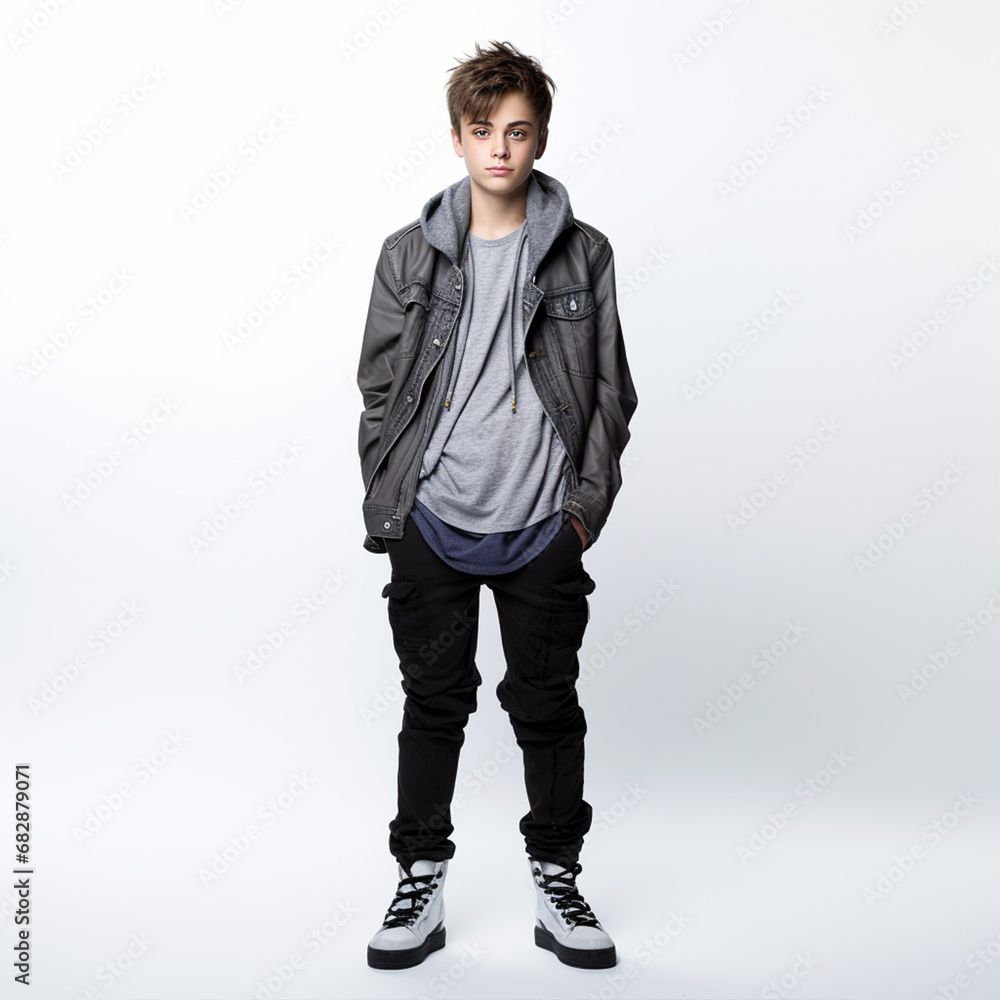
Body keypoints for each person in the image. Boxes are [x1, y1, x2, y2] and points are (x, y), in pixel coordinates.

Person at [356, 39, 638, 971]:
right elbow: (379, 389)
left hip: (543, 522)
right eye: (483, 131)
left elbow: (611, 393)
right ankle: (419, 879)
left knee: (547, 706)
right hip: (432, 520)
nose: (501, 149)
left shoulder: (583, 254)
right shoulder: (408, 255)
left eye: (517, 131)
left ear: (541, 138)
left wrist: (582, 511)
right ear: (457, 138)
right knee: (433, 702)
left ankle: (558, 879)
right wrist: (392, 498)